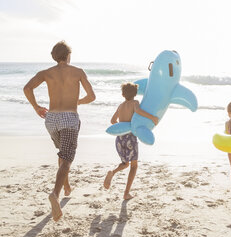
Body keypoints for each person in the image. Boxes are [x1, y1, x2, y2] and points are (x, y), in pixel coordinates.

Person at [23, 41, 96, 221]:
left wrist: (36, 107)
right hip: (69, 118)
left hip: (51, 119)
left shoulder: (46, 73)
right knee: (67, 158)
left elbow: (27, 88)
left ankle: (67, 185)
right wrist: (77, 102)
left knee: (62, 153)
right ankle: (55, 194)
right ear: (68, 55)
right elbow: (92, 96)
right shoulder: (78, 72)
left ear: (55, 56)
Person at [103, 82, 158, 200]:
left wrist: (122, 127)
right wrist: (151, 117)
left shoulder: (121, 106)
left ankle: (112, 172)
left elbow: (113, 120)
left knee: (125, 163)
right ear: (136, 94)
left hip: (120, 138)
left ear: (123, 94)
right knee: (133, 166)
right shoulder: (135, 103)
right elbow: (138, 111)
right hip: (130, 138)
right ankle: (126, 193)